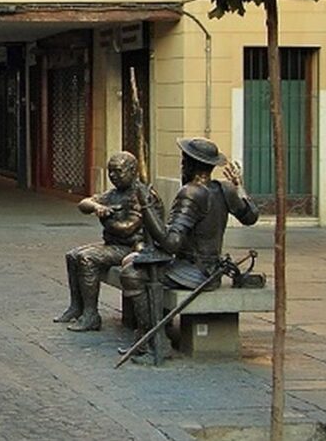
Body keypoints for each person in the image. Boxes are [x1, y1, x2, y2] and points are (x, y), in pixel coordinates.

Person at [119, 137, 258, 351]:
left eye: (184, 162)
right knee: (132, 259)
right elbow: (251, 217)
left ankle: (153, 340)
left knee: (131, 274)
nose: (182, 167)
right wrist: (240, 187)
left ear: (190, 164)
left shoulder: (191, 193)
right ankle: (150, 330)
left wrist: (146, 206)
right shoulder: (226, 189)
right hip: (211, 270)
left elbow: (171, 243)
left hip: (193, 272)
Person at [54, 151, 148, 331]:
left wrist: (105, 219)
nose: (113, 176)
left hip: (132, 248)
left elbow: (128, 227)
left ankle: (91, 315)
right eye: (110, 171)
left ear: (132, 171)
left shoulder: (140, 194)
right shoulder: (114, 193)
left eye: (118, 171)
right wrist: (98, 207)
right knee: (72, 255)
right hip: (114, 245)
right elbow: (84, 204)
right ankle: (77, 307)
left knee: (87, 258)